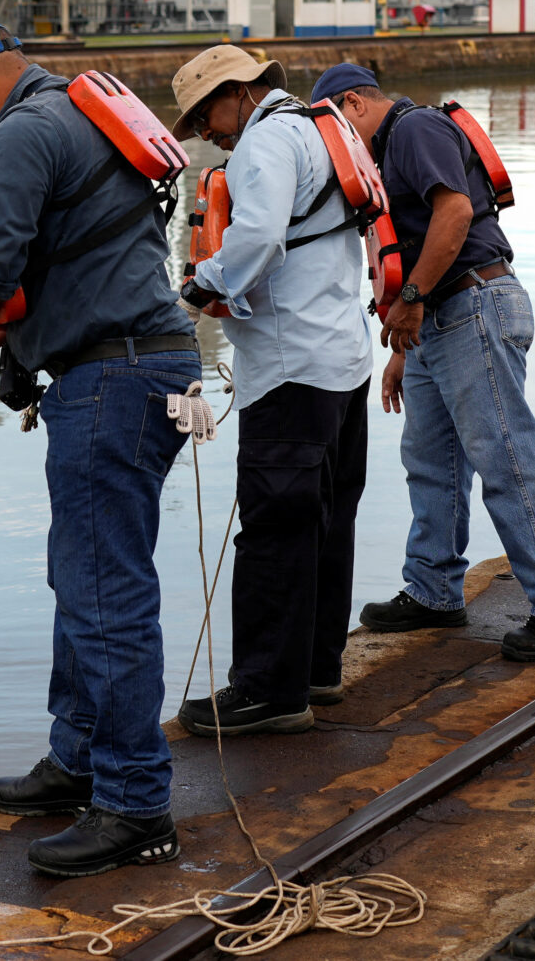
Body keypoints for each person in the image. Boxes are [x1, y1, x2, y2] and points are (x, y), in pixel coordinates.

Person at [0, 18, 201, 878]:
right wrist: (5, 338)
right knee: (83, 574)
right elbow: (82, 257)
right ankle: (78, 761)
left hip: (111, 382)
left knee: (103, 590)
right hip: (147, 366)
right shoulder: (73, 118)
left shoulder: (21, 132)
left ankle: (135, 803)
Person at [313, 62, 535, 662]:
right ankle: (434, 590)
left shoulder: (413, 129)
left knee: (506, 455)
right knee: (430, 459)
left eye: (333, 129)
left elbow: (455, 215)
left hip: (472, 303)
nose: (337, 146)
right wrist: (403, 342)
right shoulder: (392, 144)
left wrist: (411, 301)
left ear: (353, 105)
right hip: (439, 318)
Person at [168, 46, 376, 738]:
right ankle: (317, 668)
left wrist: (196, 290)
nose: (207, 135)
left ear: (238, 92)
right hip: (342, 358)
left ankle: (266, 690)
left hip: (291, 370)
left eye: (206, 116)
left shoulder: (263, 142)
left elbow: (256, 238)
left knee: (273, 530)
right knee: (326, 521)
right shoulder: (320, 126)